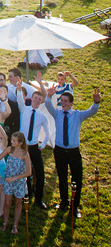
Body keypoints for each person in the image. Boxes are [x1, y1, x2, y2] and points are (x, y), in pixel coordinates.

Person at [40, 82, 101, 218]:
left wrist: (96, 102)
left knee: (76, 179)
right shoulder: (57, 114)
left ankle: (74, 207)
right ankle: (63, 202)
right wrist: (49, 96)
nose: (63, 103)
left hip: (73, 152)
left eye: (66, 101)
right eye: (61, 101)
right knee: (62, 177)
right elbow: (49, 105)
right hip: (60, 151)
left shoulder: (78, 115)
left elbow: (92, 111)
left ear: (72, 103)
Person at [15, 76, 49, 209]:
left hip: (34, 147)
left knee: (40, 173)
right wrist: (18, 89)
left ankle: (39, 199)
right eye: (35, 98)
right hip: (23, 147)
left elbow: (47, 133)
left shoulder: (42, 116)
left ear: (41, 102)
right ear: (31, 98)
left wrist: (43, 145)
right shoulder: (24, 109)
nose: (36, 100)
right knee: (25, 173)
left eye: (39, 99)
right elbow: (19, 100)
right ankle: (26, 196)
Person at [0, 132, 32, 235]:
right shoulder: (9, 150)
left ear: (20, 143)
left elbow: (29, 172)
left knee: (18, 203)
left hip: (19, 183)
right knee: (7, 203)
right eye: (12, 140)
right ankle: (5, 222)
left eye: (14, 141)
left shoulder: (25, 154)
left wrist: (15, 178)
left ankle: (15, 225)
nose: (12, 142)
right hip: (8, 182)